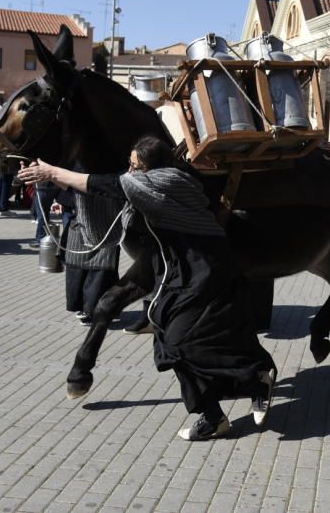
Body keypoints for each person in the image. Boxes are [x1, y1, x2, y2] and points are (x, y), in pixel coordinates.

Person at [118, 135, 277, 440]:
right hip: (176, 280)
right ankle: (214, 415)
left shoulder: (171, 185)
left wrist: (57, 174)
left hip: (204, 277)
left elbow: (113, 184)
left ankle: (256, 377)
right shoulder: (147, 188)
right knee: (167, 343)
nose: (130, 171)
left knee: (183, 344)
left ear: (153, 169)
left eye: (135, 166)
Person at [18, 160, 124, 327]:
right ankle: (83, 307)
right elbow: (66, 182)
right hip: (76, 215)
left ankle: (94, 309)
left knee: (102, 268)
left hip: (105, 219)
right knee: (76, 263)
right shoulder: (72, 158)